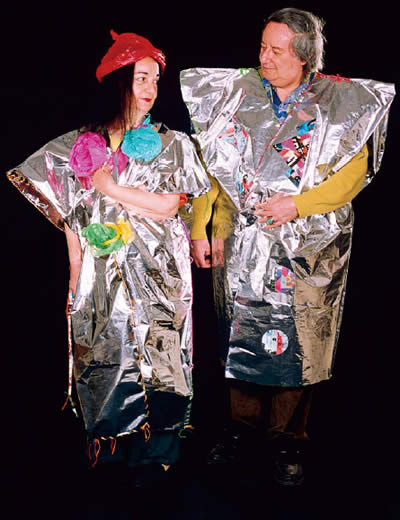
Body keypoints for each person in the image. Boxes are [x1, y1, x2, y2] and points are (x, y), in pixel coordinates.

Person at [180, 8, 395, 486]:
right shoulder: (237, 94)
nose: (264, 58)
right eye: (262, 47)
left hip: (309, 243)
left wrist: (298, 205)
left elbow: (354, 172)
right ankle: (238, 431)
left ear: (303, 56)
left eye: (276, 50)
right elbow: (211, 168)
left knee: (301, 340)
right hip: (241, 240)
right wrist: (203, 225)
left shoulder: (339, 101)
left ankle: (287, 440)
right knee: (239, 332)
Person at [7, 30, 209, 484]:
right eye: (141, 78)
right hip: (102, 275)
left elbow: (169, 206)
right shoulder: (81, 145)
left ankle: (159, 451)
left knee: (163, 357)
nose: (151, 88)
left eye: (155, 79)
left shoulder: (171, 143)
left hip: (158, 273)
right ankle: (112, 447)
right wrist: (76, 272)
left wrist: (112, 188)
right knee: (106, 352)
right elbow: (72, 215)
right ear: (119, 82)